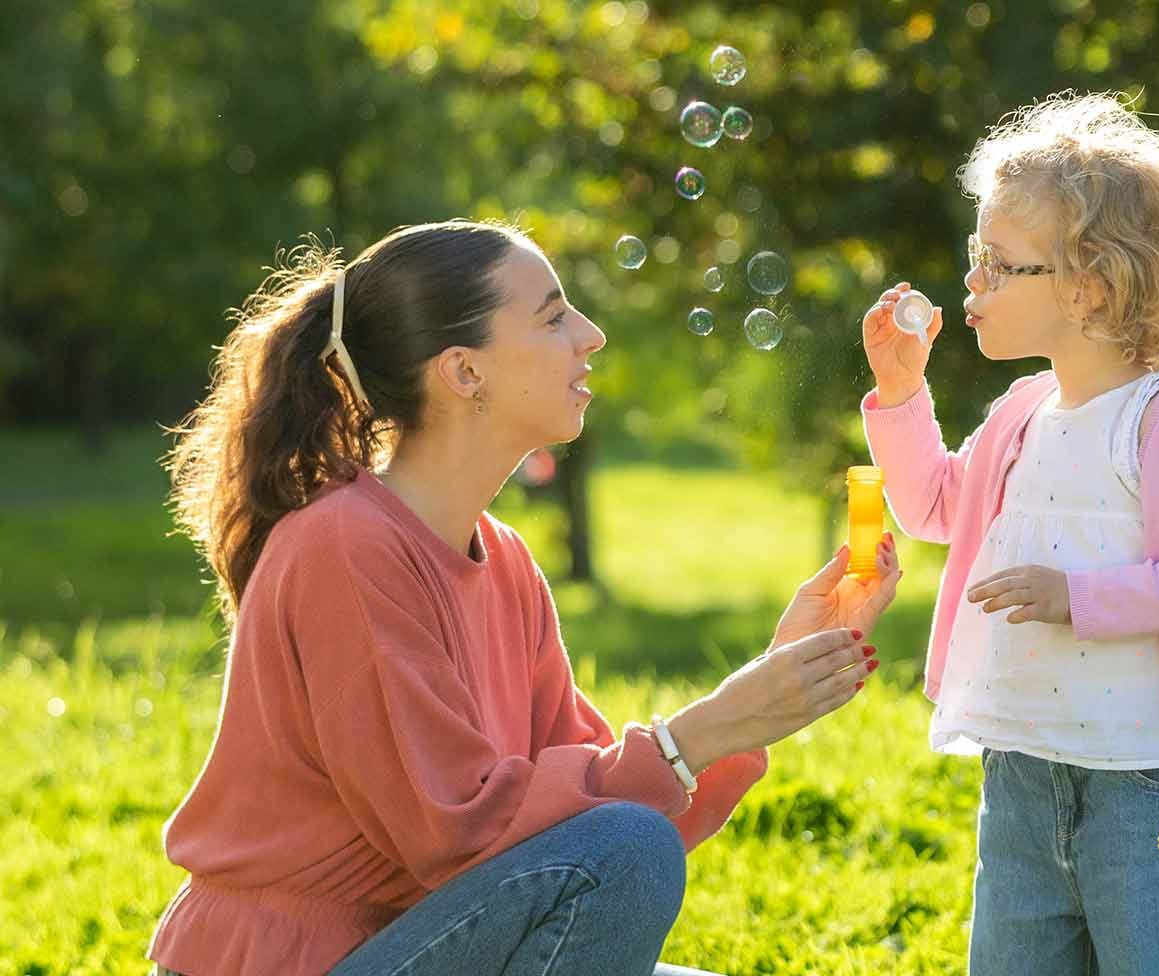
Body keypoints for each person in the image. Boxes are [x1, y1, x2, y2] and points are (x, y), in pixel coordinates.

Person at [145, 219, 901, 975]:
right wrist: (701, 732)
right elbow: (462, 831)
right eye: (552, 317)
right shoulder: (345, 546)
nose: (592, 335)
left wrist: (770, 685)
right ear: (464, 372)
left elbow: (588, 800)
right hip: (297, 965)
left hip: (412, 945)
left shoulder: (503, 560)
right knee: (624, 851)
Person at [859, 92, 1159, 974]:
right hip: (1022, 766)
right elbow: (938, 508)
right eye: (975, 258)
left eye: (998, 265)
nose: (971, 285)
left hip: (1152, 770)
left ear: (1090, 284)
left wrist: (1079, 598)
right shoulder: (1020, 414)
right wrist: (903, 395)